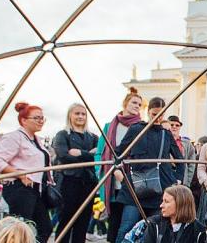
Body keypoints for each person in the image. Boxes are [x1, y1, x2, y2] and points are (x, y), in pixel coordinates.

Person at [115, 97, 184, 243]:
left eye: (161, 115)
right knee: (127, 226)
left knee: (157, 230)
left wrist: (178, 179)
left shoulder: (166, 133)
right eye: (154, 114)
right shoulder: (136, 129)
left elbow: (180, 160)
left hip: (160, 189)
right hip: (135, 187)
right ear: (148, 112)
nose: (157, 118)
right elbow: (119, 153)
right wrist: (120, 174)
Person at [0, 102, 53, 243]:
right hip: (20, 188)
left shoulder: (36, 141)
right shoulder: (15, 137)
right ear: (23, 120)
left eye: (42, 118)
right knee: (19, 230)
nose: (41, 121)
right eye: (36, 118)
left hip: (36, 190)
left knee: (44, 228)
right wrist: (19, 174)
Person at [98, 87, 144, 243]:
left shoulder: (141, 127)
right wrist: (105, 172)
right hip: (112, 179)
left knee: (128, 222)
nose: (137, 106)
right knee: (114, 221)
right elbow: (100, 153)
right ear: (125, 103)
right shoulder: (109, 126)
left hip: (130, 179)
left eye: (139, 104)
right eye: (134, 102)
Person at [52, 103, 100, 243]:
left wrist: (79, 153)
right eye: (77, 113)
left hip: (88, 183)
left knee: (83, 221)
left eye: (83, 114)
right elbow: (63, 156)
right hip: (69, 181)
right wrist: (88, 154)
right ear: (70, 115)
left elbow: (98, 157)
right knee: (66, 219)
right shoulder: (62, 135)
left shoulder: (93, 137)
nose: (80, 116)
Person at [123, 185, 207, 243]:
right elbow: (127, 240)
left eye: (166, 202)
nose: (161, 205)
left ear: (180, 204)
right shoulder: (151, 224)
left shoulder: (199, 230)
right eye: (162, 201)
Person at [166, 116, 198, 187]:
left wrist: (187, 181)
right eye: (172, 125)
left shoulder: (187, 143)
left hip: (182, 180)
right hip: (166, 178)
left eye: (177, 125)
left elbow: (191, 163)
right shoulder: (162, 140)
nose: (174, 127)